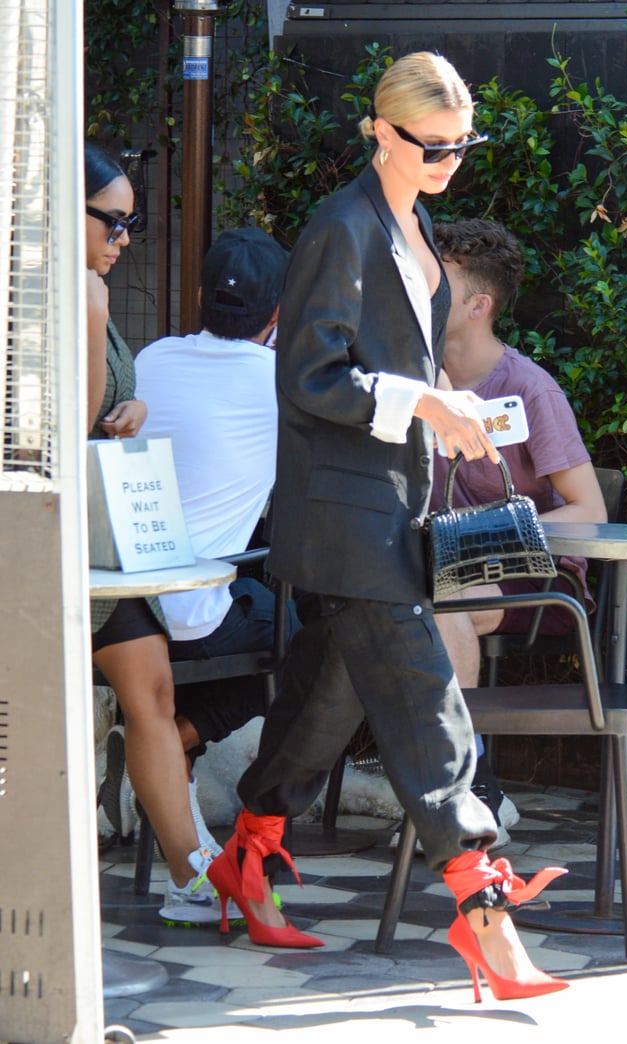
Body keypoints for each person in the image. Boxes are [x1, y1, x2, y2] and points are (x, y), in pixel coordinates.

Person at [205, 52, 570, 997]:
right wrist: (418, 405)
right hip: (347, 513)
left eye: (462, 146)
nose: (450, 160)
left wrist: (453, 406)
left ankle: (249, 853)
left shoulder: (414, 221)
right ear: (381, 129)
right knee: (423, 699)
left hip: (393, 505)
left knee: (328, 698)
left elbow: (400, 361)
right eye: (432, 145)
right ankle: (486, 913)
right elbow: (311, 376)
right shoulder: (342, 225)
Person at [133, 228, 300, 923]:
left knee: (261, 606)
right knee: (300, 649)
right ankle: (173, 743)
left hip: (124, 602)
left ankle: (164, 751)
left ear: (200, 297)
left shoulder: (149, 358)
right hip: (198, 610)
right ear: (279, 313)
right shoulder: (282, 382)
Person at [429, 217, 608, 844]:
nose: (421, 285)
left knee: (445, 599)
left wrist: (480, 537)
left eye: (438, 279)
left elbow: (589, 509)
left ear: (478, 305)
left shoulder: (529, 388)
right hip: (431, 564)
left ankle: (469, 777)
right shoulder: (411, 381)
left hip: (537, 580)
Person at [85, 142, 218, 923]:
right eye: (113, 221)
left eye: (131, 223)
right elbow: (59, 430)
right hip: (52, 539)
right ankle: (191, 873)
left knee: (154, 694)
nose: (125, 238)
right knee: (144, 694)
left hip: (100, 541)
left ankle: (192, 875)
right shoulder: (61, 300)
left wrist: (127, 414)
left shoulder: (89, 294)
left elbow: (97, 418)